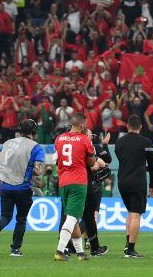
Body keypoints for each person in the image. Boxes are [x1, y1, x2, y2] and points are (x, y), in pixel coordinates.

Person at [0, 118, 44, 257]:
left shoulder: (8, 143)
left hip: (6, 186)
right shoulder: (36, 147)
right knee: (21, 219)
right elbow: (37, 170)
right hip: (23, 188)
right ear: (34, 131)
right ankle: (15, 249)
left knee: (5, 216)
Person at [53, 112, 100, 261]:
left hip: (63, 182)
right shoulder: (84, 139)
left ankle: (80, 253)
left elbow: (56, 159)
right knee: (73, 218)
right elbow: (92, 163)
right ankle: (60, 251)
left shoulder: (59, 139)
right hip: (78, 182)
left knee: (70, 218)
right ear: (81, 125)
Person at [114, 114, 153, 258]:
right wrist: (152, 185)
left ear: (127, 126)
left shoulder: (119, 142)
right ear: (141, 127)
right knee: (136, 214)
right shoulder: (146, 142)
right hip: (137, 181)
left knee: (130, 213)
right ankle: (131, 249)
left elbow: (124, 159)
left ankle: (128, 245)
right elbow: (151, 166)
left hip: (122, 181)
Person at [81, 128, 113, 257]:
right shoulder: (84, 148)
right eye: (89, 135)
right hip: (87, 184)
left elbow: (108, 160)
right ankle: (75, 243)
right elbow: (95, 165)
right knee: (87, 215)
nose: (92, 137)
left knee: (92, 214)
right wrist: (98, 162)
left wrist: (105, 144)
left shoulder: (96, 147)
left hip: (95, 185)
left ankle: (88, 241)